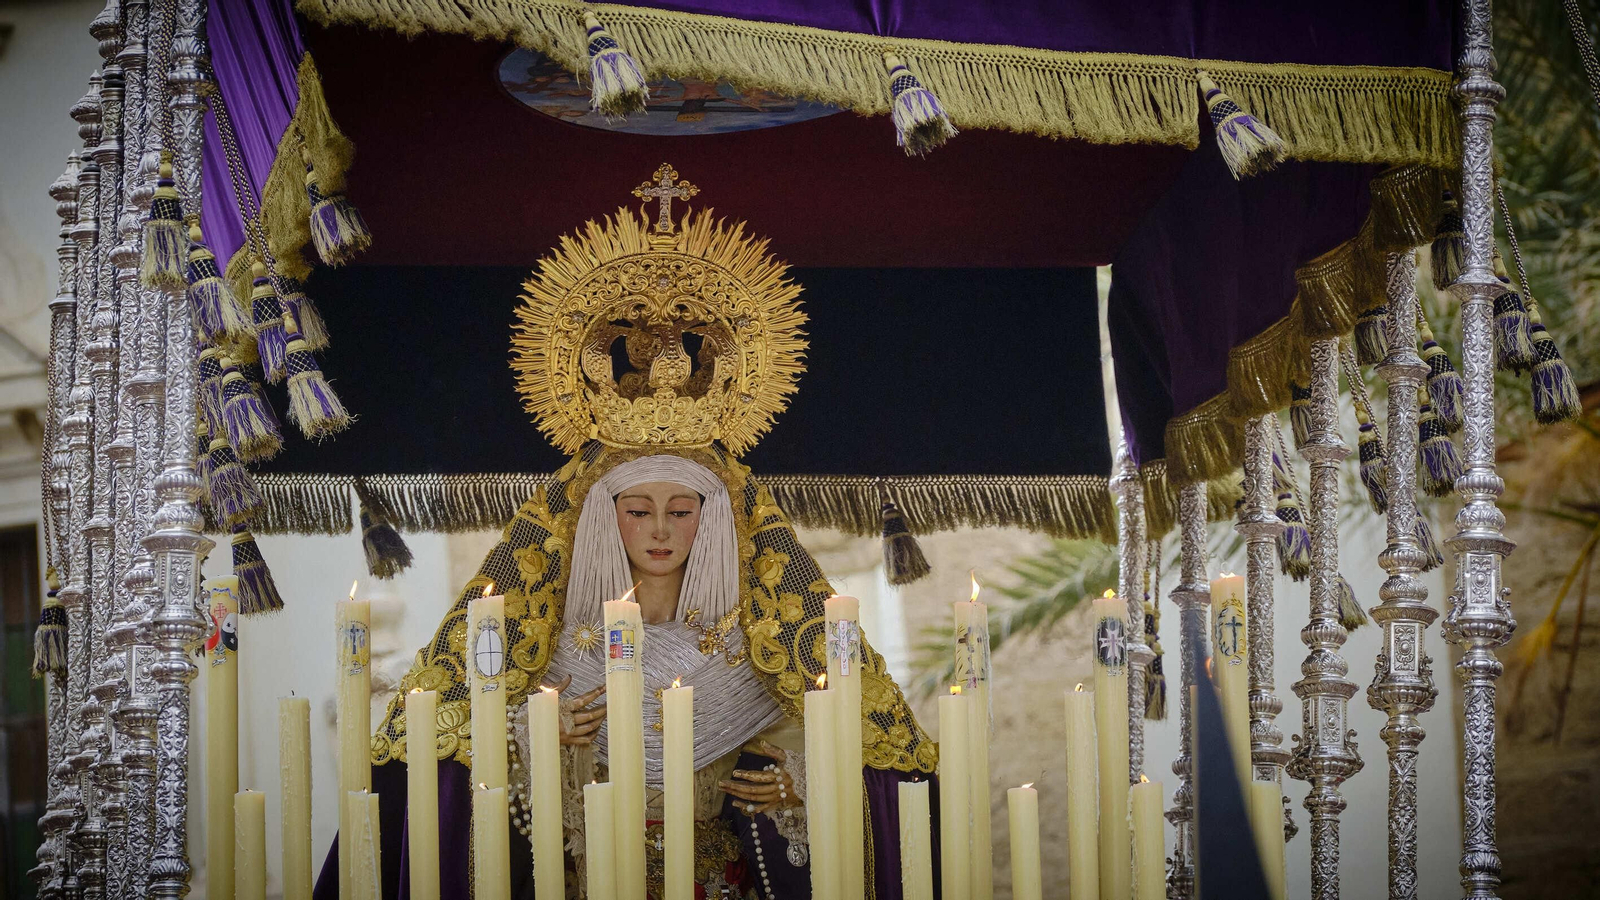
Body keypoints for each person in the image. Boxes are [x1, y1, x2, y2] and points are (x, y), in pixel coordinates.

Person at [314, 165, 937, 899]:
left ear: (716, 518)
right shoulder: (547, 653)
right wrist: (526, 740)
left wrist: (808, 785)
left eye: (683, 508)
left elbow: (855, 751)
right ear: (603, 518)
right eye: (638, 510)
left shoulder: (754, 650)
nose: (662, 528)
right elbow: (456, 778)